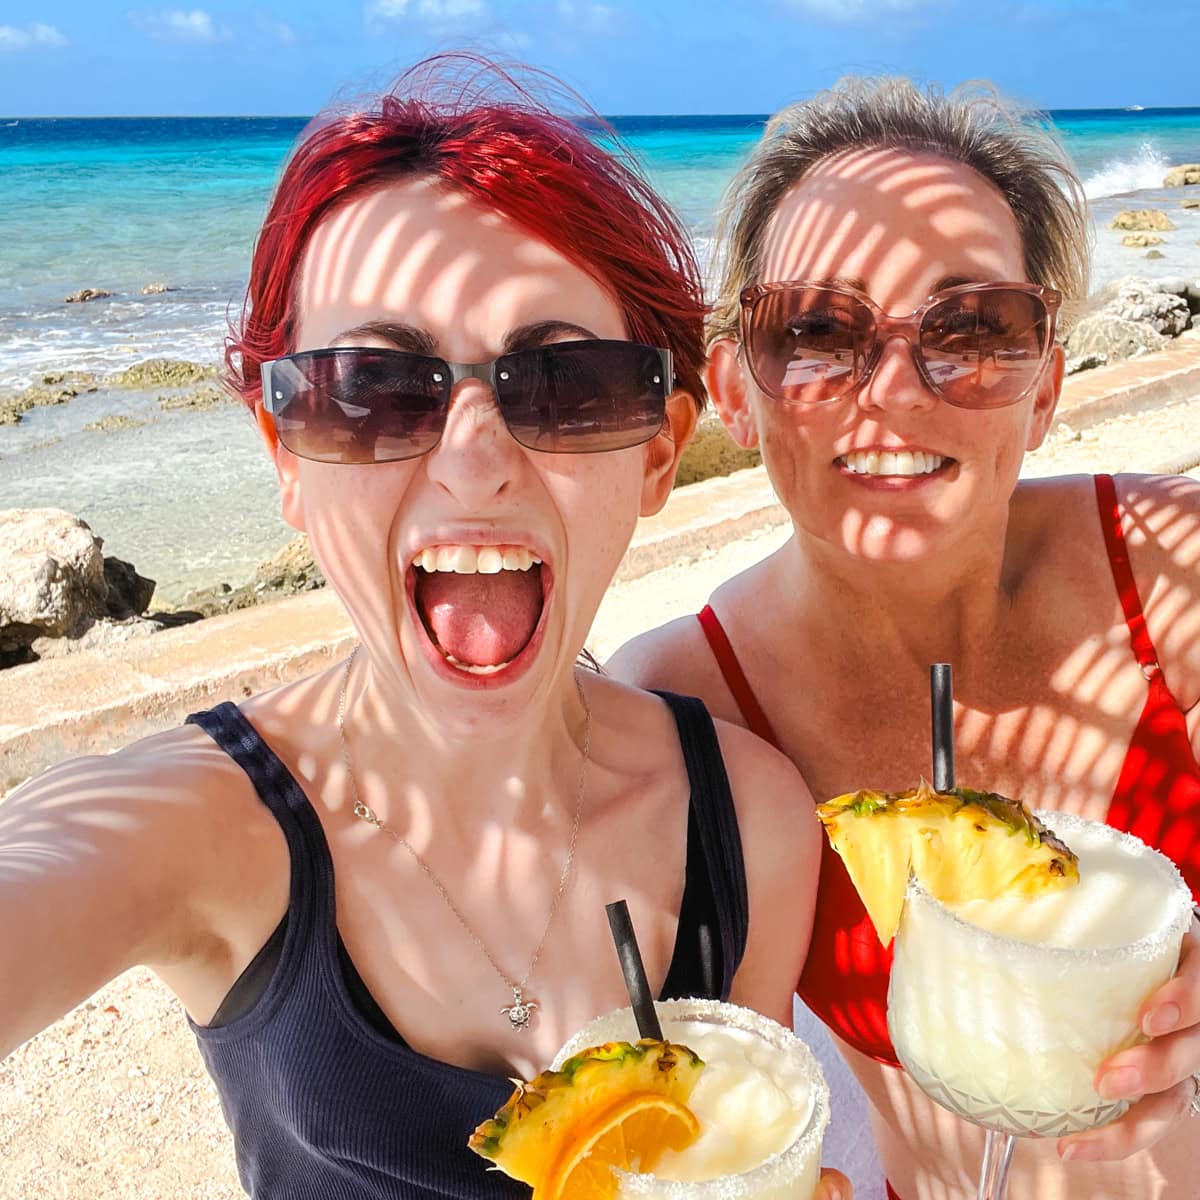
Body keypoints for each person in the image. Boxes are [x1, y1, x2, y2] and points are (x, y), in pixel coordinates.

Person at [0, 60, 851, 1199]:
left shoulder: (748, 821)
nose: (475, 460)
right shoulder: (201, 827)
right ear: (283, 459)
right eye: (371, 389)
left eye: (563, 383)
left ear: (658, 451)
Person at [610, 77, 1200, 1200]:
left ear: (1043, 389)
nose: (893, 394)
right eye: (819, 334)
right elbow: (682, 1084)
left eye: (972, 330)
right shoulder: (686, 702)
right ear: (737, 392)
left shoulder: (1166, 570)